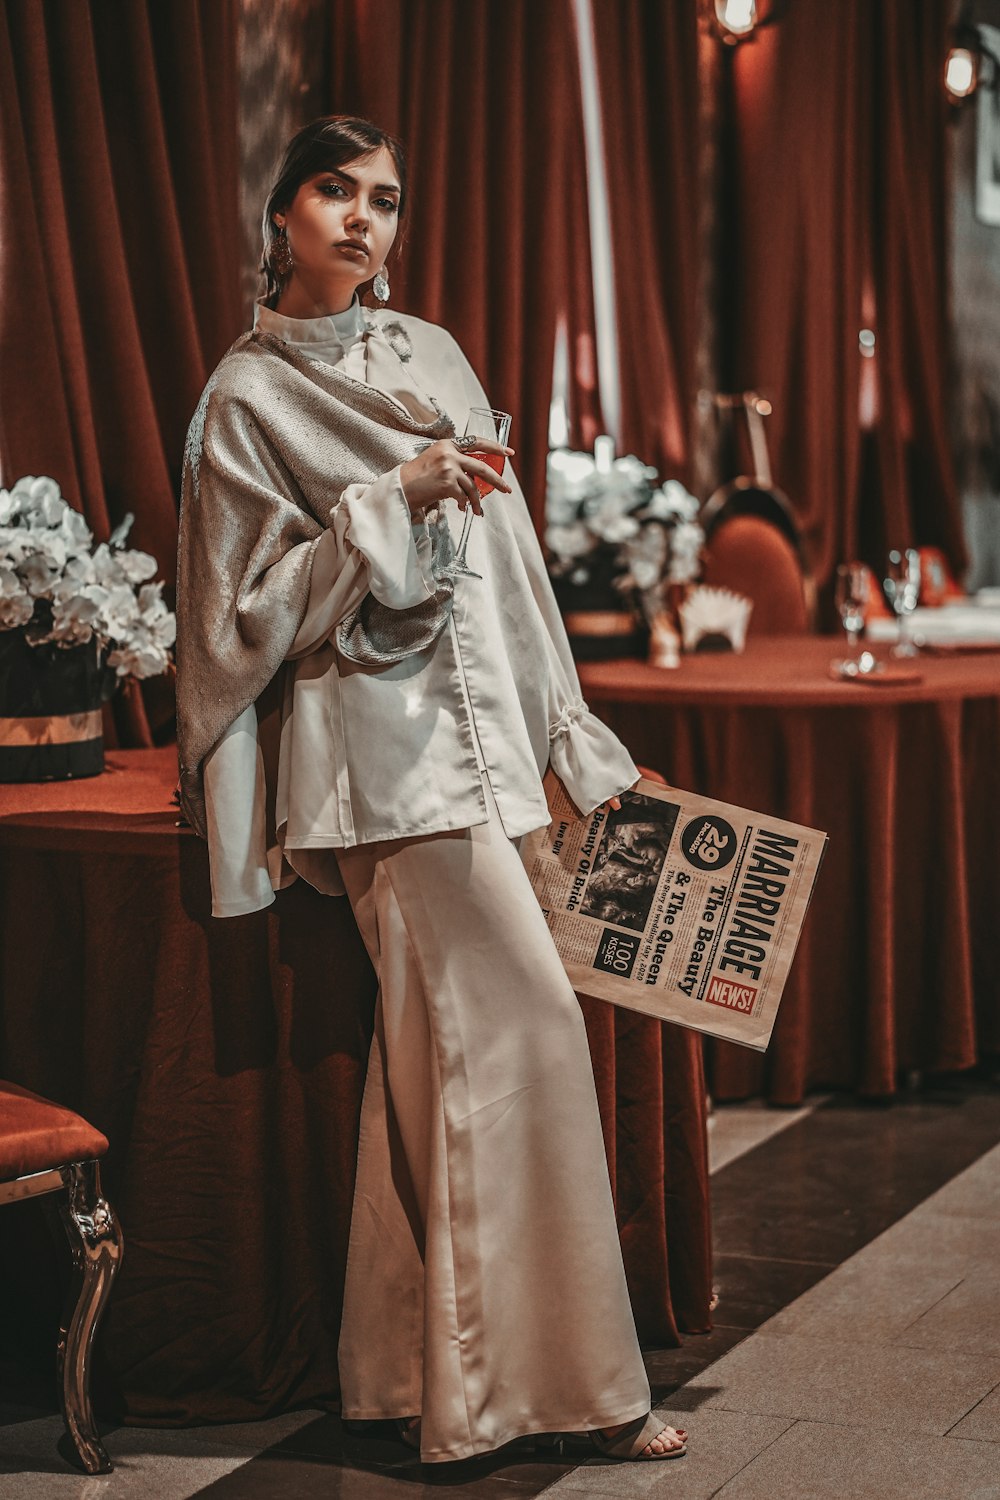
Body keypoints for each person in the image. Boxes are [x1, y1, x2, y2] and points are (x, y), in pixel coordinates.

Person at [176, 115, 687, 1466]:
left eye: (385, 200)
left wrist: (568, 738)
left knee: (447, 1067)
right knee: (517, 1038)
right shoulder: (243, 396)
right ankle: (564, 1389)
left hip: (488, 741)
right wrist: (383, 501)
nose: (362, 219)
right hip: (378, 765)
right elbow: (235, 624)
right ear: (279, 212)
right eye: (334, 192)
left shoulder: (438, 354)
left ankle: (421, 1379)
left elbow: (510, 566)